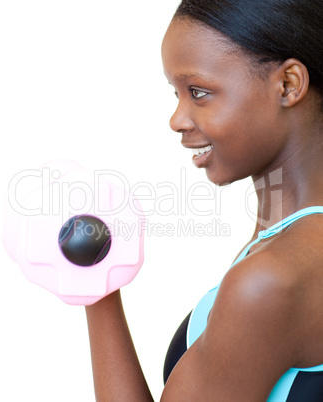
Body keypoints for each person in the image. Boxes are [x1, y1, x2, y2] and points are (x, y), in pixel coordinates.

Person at [85, 0, 323, 400]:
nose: (177, 119)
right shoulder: (285, 237)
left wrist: (94, 289)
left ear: (288, 85)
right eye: (176, 93)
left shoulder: (270, 279)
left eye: (198, 92)